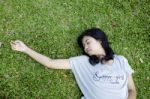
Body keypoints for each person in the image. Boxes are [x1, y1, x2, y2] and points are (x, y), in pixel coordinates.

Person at [10, 28, 136, 99]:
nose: (85, 47)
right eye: (83, 46)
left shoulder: (121, 60)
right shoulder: (83, 62)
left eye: (87, 42)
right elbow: (50, 63)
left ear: (100, 40)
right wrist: (25, 49)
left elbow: (131, 90)